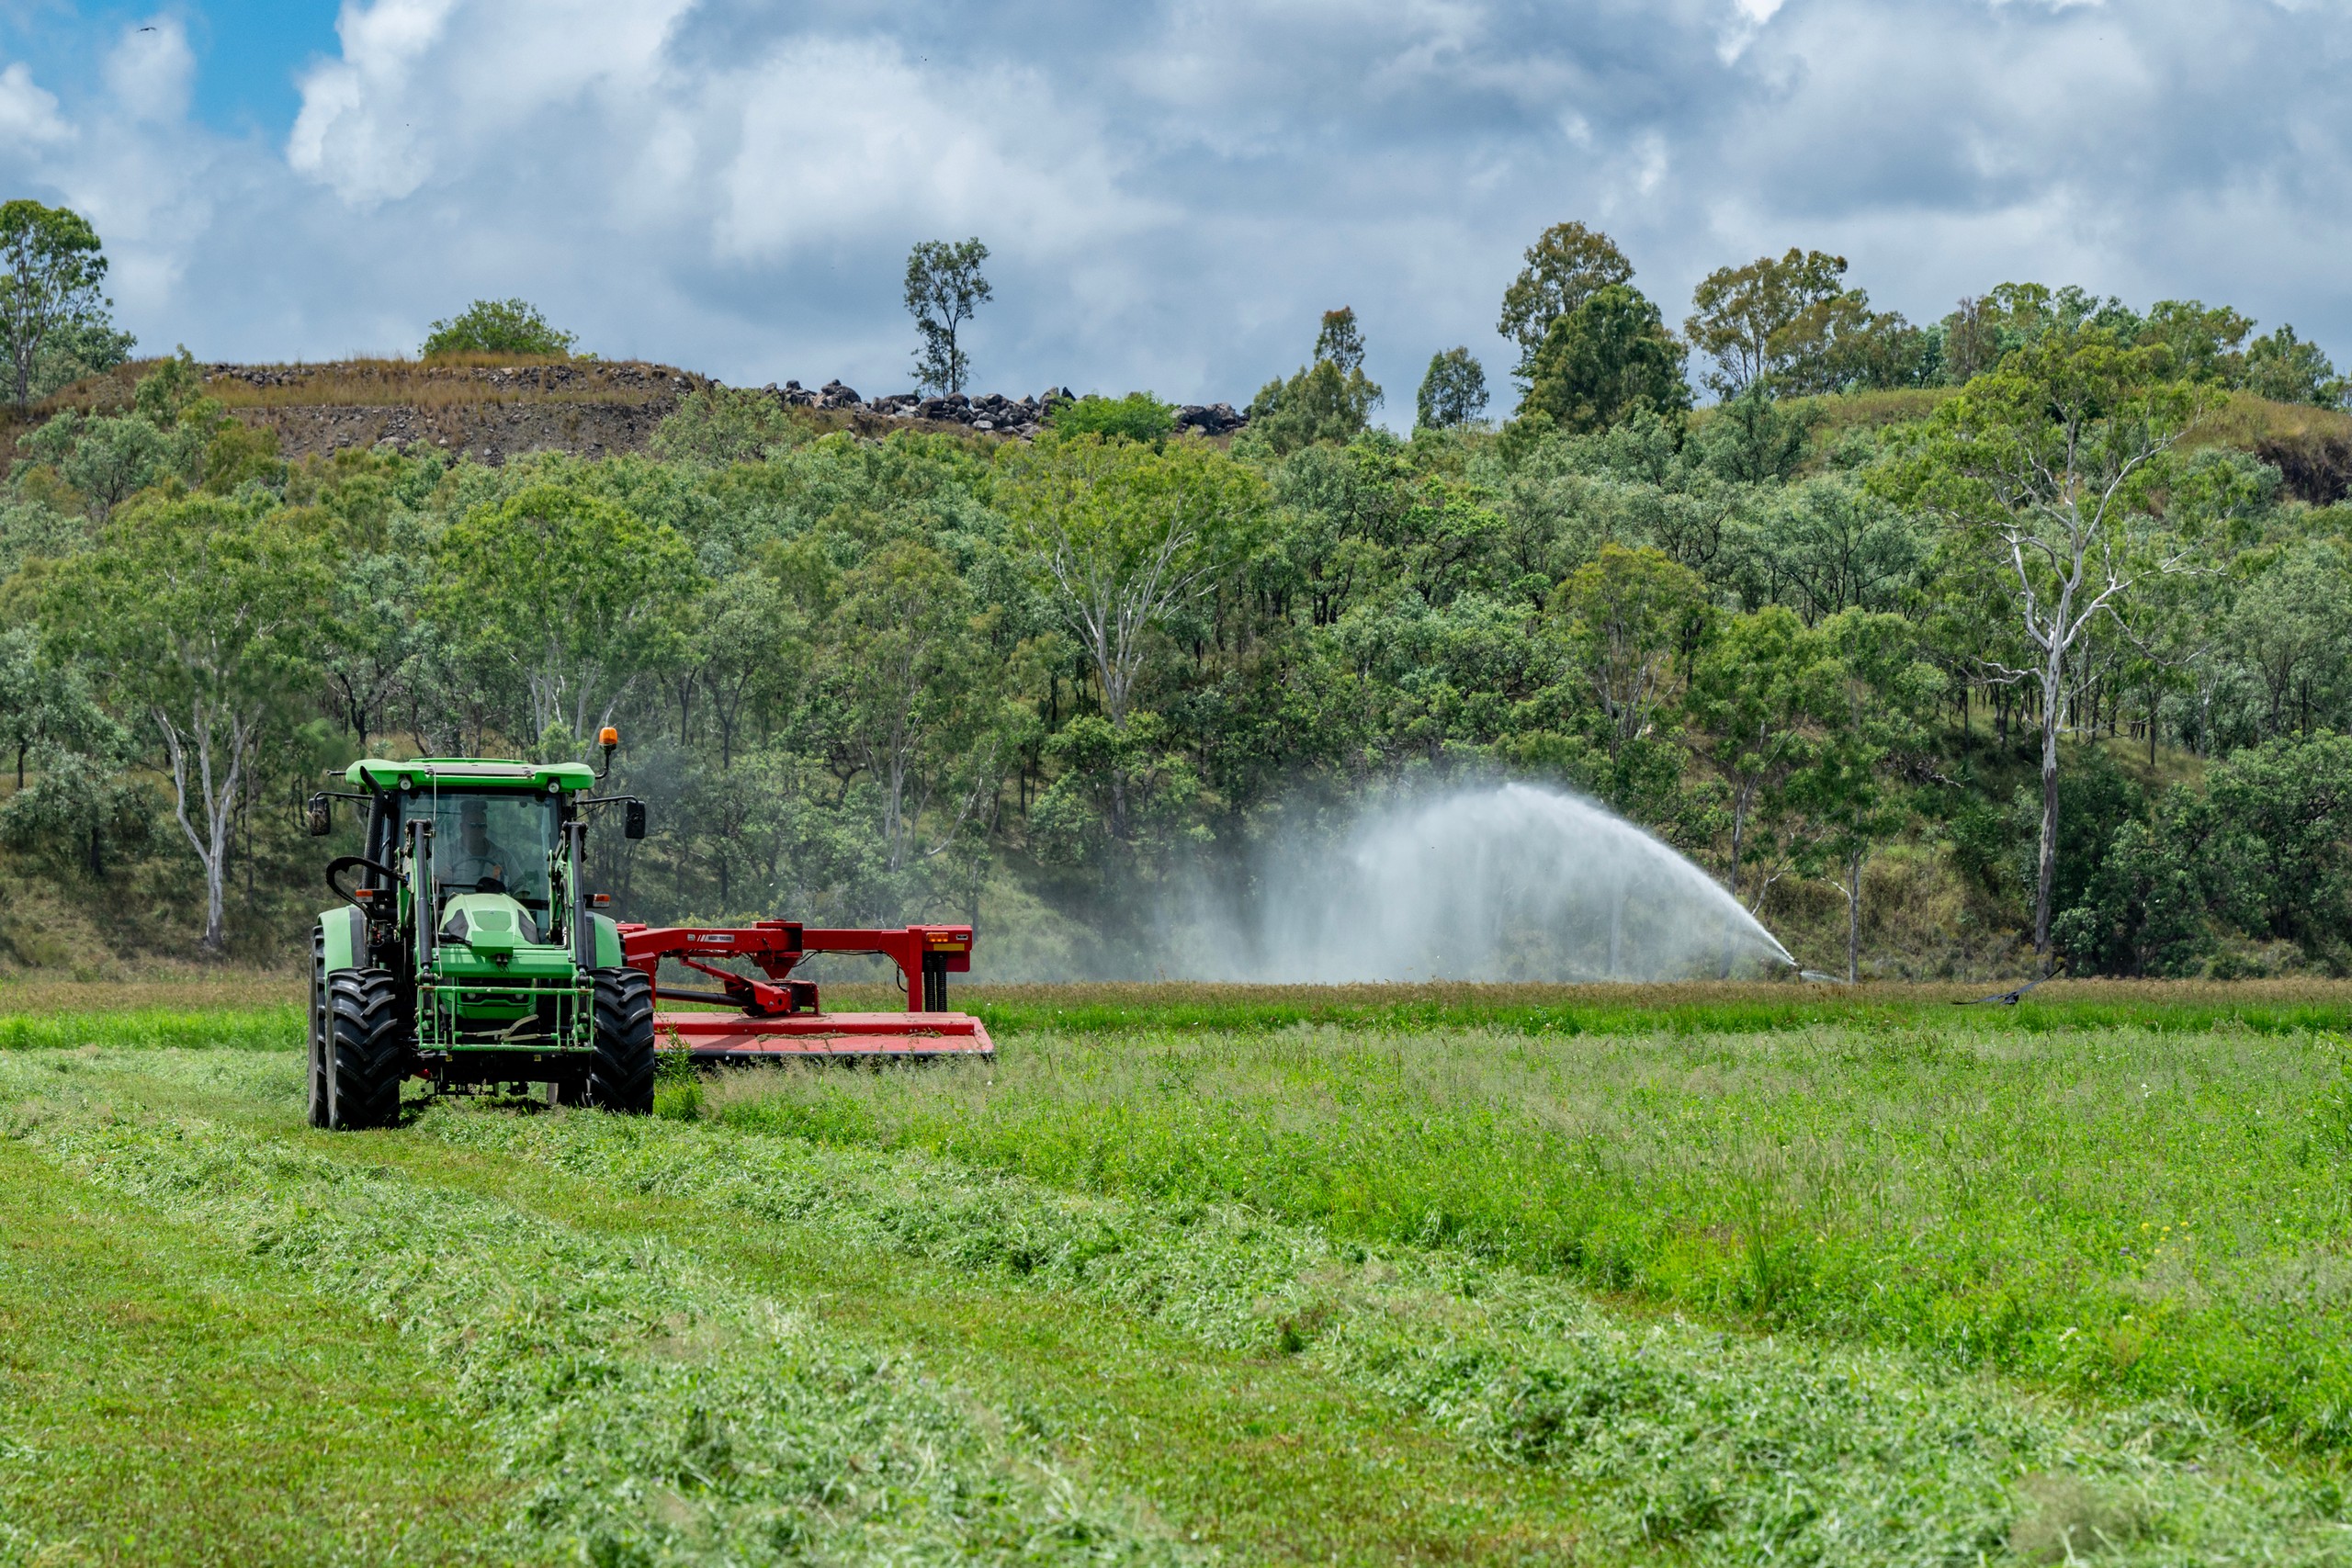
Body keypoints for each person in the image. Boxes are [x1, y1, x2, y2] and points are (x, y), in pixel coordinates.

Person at [444, 797, 522, 891]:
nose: (477, 830)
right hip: (458, 904)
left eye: (481, 826)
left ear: (486, 828)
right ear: (462, 827)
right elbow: (435, 884)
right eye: (472, 825)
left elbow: (520, 885)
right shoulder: (446, 854)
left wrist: (520, 896)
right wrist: (442, 878)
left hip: (495, 904)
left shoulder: (502, 856)